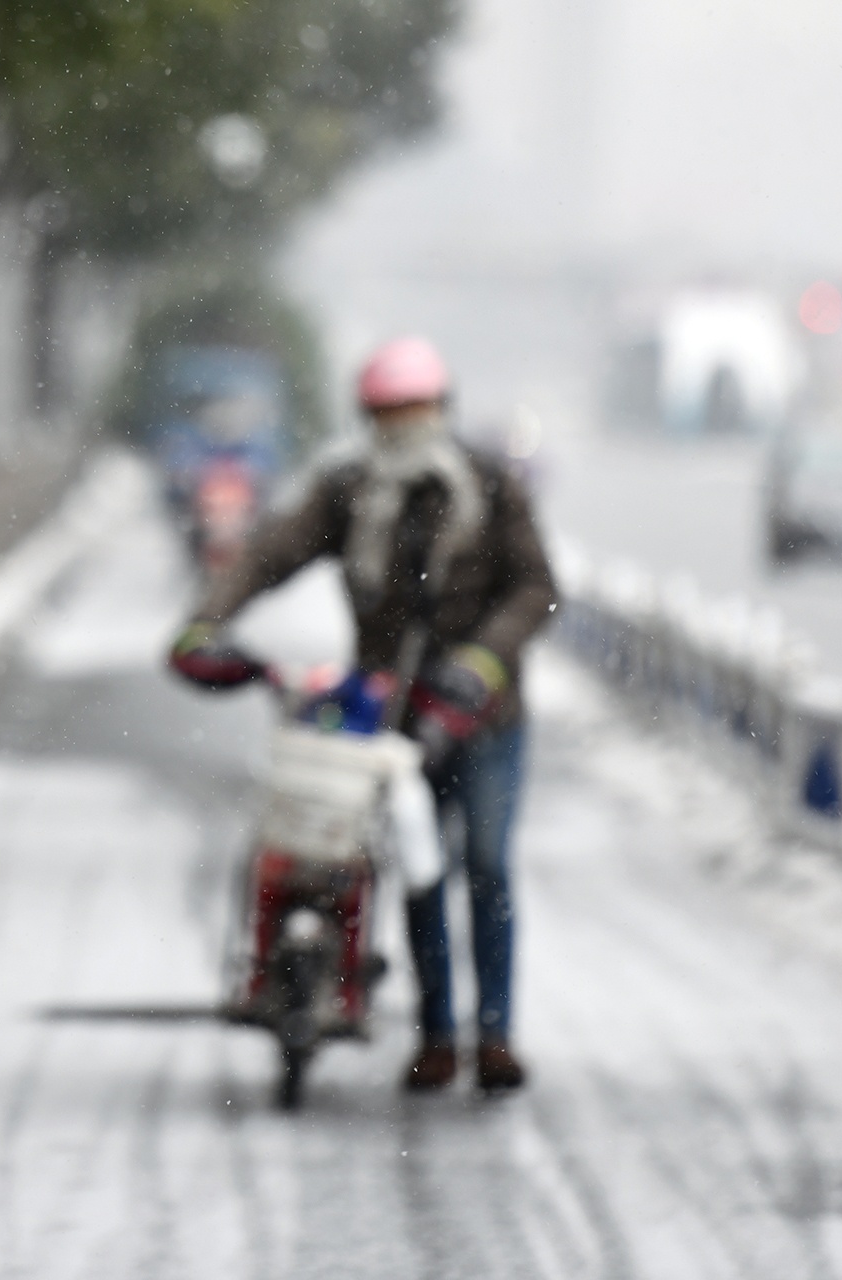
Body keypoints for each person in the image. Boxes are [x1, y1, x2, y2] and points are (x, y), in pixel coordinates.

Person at [169, 336, 555, 1093]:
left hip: (485, 717)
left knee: (486, 867)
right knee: (417, 870)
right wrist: (206, 622)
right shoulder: (350, 493)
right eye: (389, 412)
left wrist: (480, 662)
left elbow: (536, 589)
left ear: (442, 409)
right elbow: (267, 554)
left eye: (418, 409)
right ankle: (437, 1034)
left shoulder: (489, 488)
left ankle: (495, 1035)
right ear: (368, 418)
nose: (405, 426)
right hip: (396, 718)